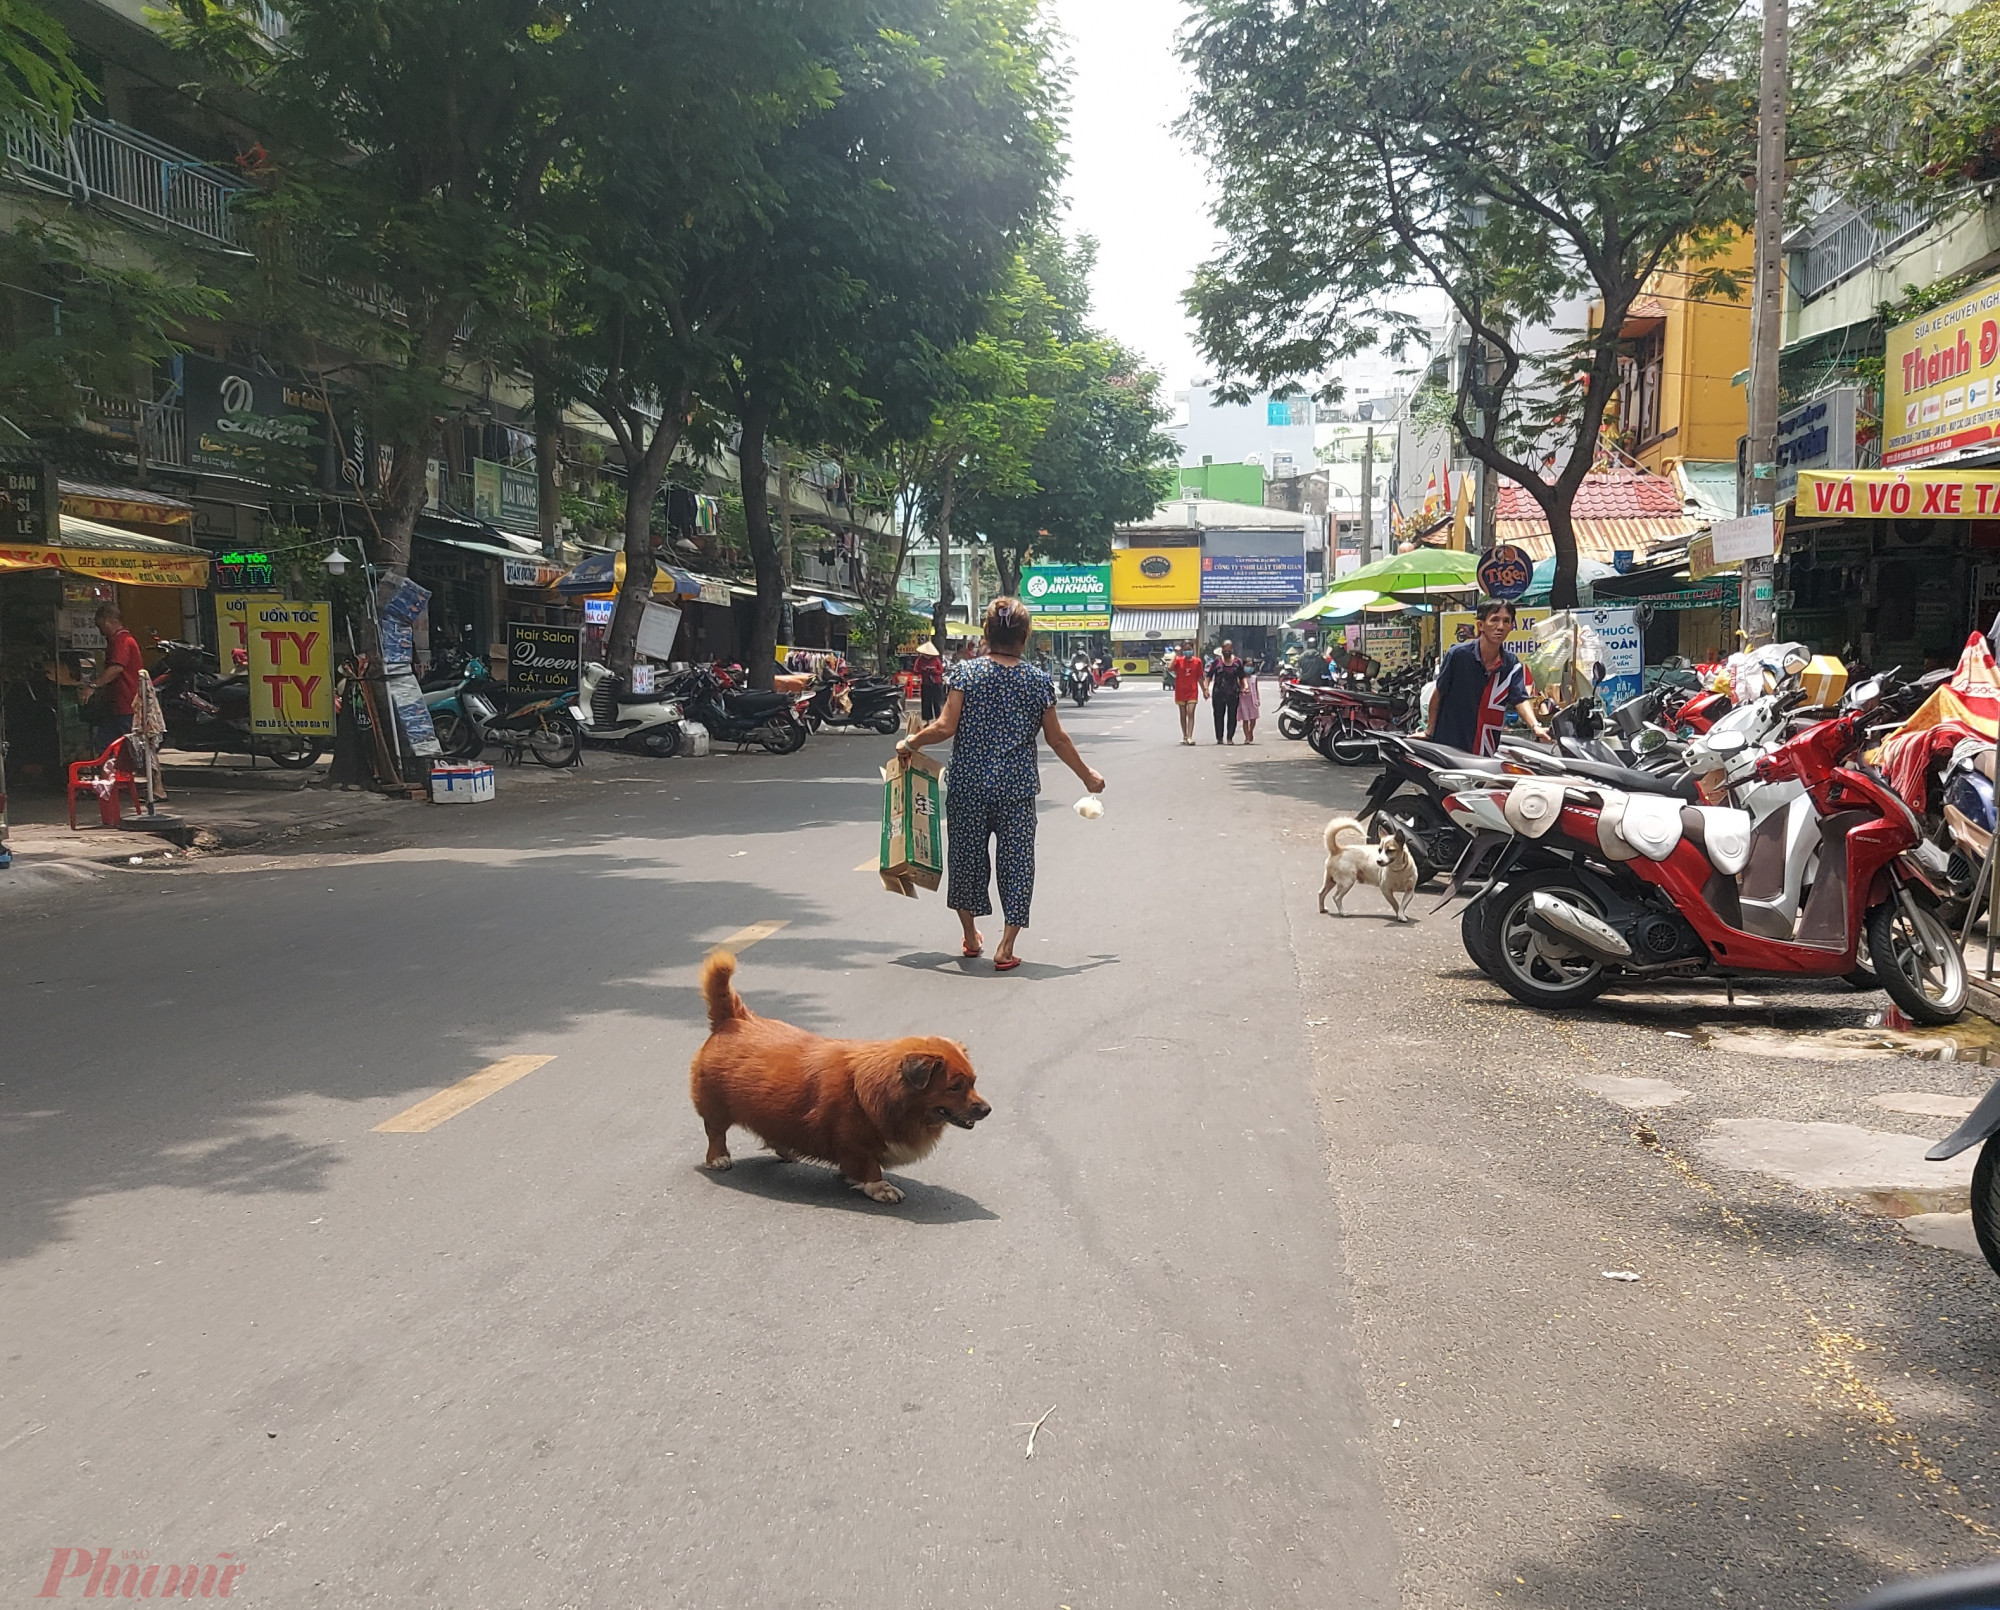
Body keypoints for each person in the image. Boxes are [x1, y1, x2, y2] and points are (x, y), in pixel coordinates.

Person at [898, 597, 1105, 973]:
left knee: (966, 862)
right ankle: (1006, 947)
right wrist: (1087, 775)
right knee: (1017, 865)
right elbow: (1057, 739)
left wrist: (910, 743)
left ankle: (971, 935)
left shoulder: (965, 674)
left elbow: (945, 727)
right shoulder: (1038, 681)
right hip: (1016, 791)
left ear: (987, 634)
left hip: (969, 787)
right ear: (1025, 637)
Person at [1427, 598, 1551, 756]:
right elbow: (1439, 692)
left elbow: (1520, 698)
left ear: (1512, 626)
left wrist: (1535, 727)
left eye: (1506, 621)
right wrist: (1429, 732)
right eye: (1494, 620)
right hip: (1450, 744)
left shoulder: (1511, 664)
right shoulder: (1458, 655)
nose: (1500, 627)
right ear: (1481, 625)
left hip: (1486, 747)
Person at [79, 602, 142, 754]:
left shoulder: (122, 641)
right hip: (116, 705)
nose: (100, 632)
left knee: (134, 748)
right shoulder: (118, 641)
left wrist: (93, 686)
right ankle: (113, 775)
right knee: (104, 744)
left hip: (126, 704)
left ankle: (151, 775)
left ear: (108, 620)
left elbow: (116, 668)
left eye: (100, 626)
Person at [1206, 639, 1246, 744]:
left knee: (1232, 715)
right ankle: (1219, 737)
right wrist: (1206, 689)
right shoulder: (1217, 662)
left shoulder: (1237, 662)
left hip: (1233, 692)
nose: (1227, 651)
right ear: (1222, 649)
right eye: (1225, 649)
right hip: (1218, 692)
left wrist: (1245, 686)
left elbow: (1242, 677)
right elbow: (1209, 676)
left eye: (1229, 649)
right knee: (1218, 715)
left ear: (1232, 649)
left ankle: (1230, 737)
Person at [1170, 639, 1205, 745]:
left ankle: (1190, 736)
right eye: (1185, 650)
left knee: (1191, 712)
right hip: (1181, 691)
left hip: (1192, 691)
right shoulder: (1179, 660)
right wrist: (1175, 654)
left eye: (1189, 649)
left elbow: (1199, 677)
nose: (1187, 651)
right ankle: (1184, 735)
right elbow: (1170, 667)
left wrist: (1204, 690)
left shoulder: (1197, 662)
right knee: (1183, 714)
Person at [916, 641, 946, 722]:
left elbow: (941, 671)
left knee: (937, 702)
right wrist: (923, 670)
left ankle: (938, 719)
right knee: (926, 703)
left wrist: (934, 671)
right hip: (926, 683)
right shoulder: (920, 660)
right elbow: (915, 670)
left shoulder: (936, 659)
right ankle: (927, 721)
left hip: (936, 683)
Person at [1237, 655, 1262, 743]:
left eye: (1251, 666)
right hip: (1243, 701)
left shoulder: (1254, 678)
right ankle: (1247, 737)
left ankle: (1250, 731)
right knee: (1245, 720)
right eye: (1247, 666)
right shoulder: (1240, 679)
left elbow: (1256, 689)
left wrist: (1258, 699)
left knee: (1253, 718)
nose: (1249, 668)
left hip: (1252, 700)